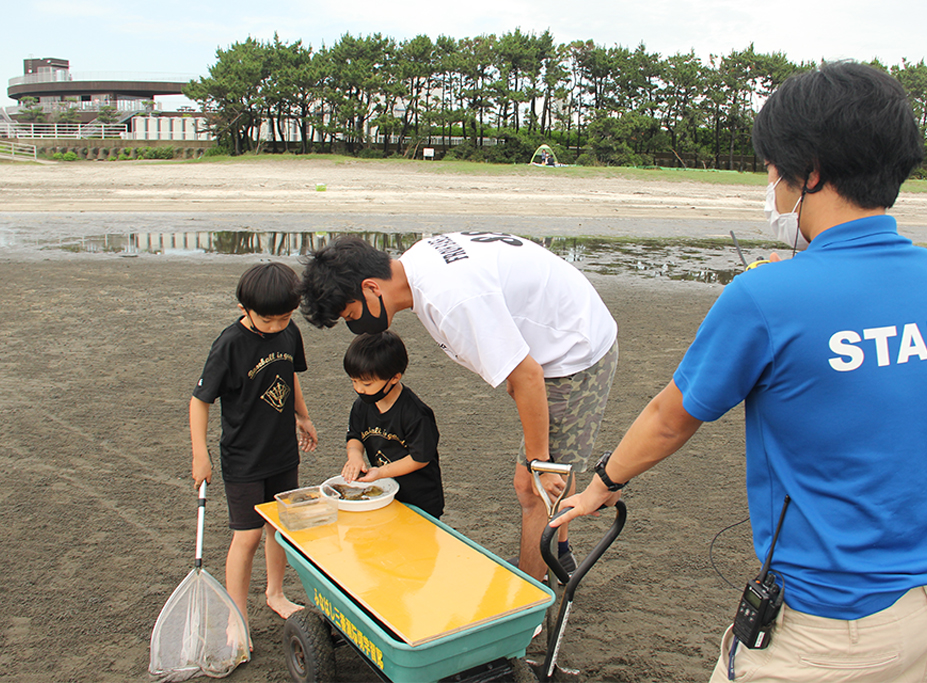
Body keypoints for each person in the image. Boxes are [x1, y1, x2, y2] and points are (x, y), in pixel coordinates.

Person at [553, 61, 927, 683]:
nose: (773, 189)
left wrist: (602, 483)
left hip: (833, 629)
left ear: (811, 173)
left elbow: (673, 416)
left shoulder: (767, 296)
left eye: (774, 172)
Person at [300, 231, 618, 581]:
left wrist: (539, 462)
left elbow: (529, 377)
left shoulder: (451, 300)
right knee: (549, 466)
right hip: (554, 330)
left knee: (532, 485)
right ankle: (558, 552)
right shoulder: (417, 263)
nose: (354, 325)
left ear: (372, 287)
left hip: (575, 351)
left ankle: (531, 595)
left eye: (350, 314)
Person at [190, 262, 318, 638]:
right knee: (246, 537)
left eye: (285, 317)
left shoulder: (288, 331)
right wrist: (201, 454)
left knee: (278, 527)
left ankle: (276, 593)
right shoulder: (229, 344)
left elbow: (289, 372)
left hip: (281, 452)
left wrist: (303, 415)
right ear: (244, 309)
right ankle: (236, 617)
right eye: (268, 320)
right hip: (244, 457)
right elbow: (200, 400)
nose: (277, 326)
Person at [342, 330, 445, 519]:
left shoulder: (416, 414)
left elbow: (420, 458)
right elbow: (355, 436)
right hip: (385, 494)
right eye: (353, 381)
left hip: (420, 499)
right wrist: (355, 456)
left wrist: (381, 472)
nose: (358, 389)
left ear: (395, 377)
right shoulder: (362, 405)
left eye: (366, 383)